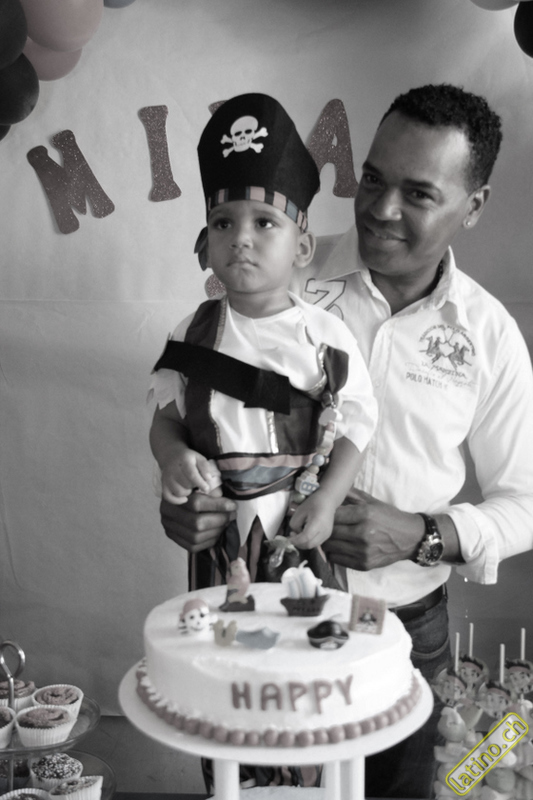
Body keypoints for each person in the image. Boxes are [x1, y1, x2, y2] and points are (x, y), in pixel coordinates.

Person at [158, 83, 533, 797]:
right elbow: (197, 412)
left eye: (418, 194)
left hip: (403, 623)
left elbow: (527, 501)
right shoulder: (275, 267)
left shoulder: (489, 336)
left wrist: (423, 535)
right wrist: (184, 500)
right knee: (256, 786)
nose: (381, 210)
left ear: (473, 206)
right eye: (372, 180)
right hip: (262, 605)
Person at [149, 92, 378, 597]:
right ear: (206, 244)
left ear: (303, 247)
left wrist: (328, 500)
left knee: (306, 627)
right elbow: (166, 421)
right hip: (221, 532)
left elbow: (356, 428)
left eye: (264, 222)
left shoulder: (327, 338)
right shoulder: (189, 335)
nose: (241, 238)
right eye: (223, 223)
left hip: (301, 525)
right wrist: (172, 459)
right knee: (226, 630)